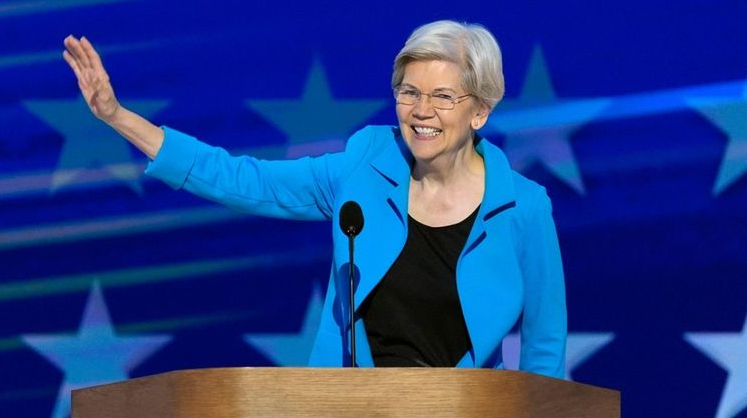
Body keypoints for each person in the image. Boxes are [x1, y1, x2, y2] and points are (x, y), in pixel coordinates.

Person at [62, 20, 566, 377]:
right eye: (409, 92)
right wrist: (118, 117)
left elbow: (544, 348)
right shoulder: (366, 165)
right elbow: (246, 180)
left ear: (479, 111)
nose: (421, 111)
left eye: (442, 97)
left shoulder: (523, 208)